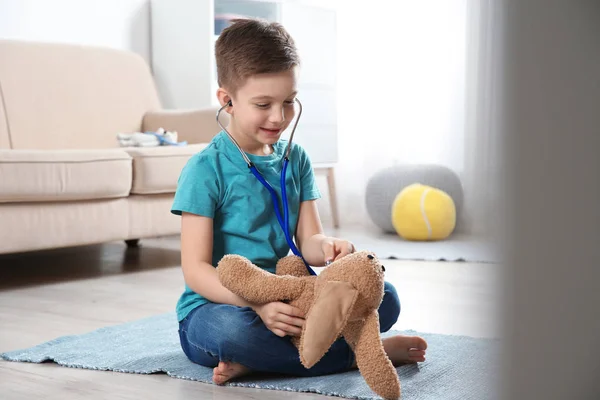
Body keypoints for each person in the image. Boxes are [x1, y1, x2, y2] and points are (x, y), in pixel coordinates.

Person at [171, 18, 427, 385]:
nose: (279, 117)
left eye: (289, 102)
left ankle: (262, 363)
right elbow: (195, 270)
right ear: (227, 100)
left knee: (385, 298)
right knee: (234, 334)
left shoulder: (297, 159)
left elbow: (309, 244)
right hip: (223, 305)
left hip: (295, 298)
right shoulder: (204, 170)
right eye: (263, 104)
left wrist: (329, 248)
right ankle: (370, 353)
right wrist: (257, 305)